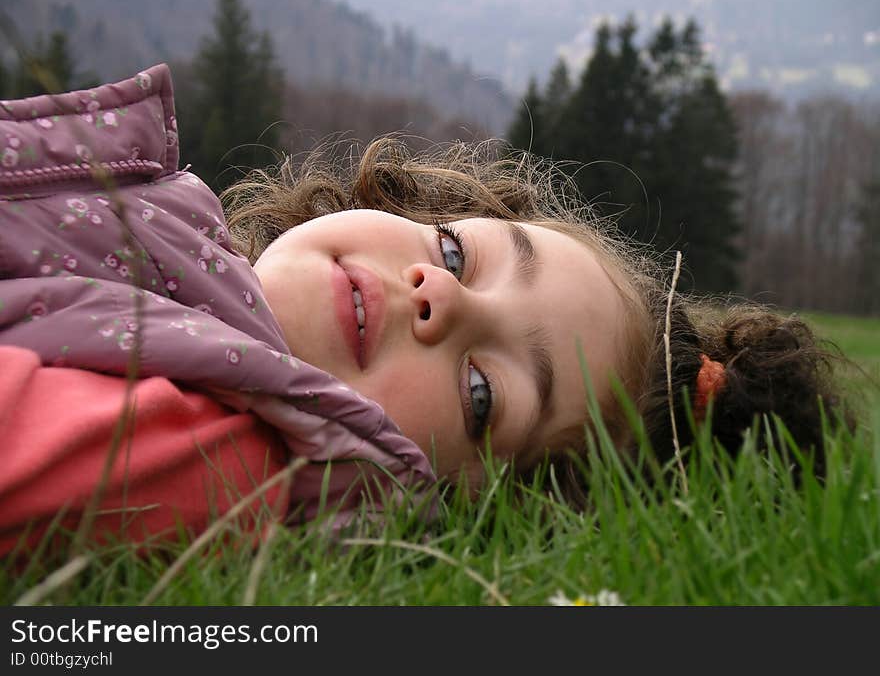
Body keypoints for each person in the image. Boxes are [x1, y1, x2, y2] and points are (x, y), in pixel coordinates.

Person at [0, 64, 849, 555]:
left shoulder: (216, 459)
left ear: (457, 501)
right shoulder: (182, 233)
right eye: (454, 252)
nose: (437, 295)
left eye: (482, 394)